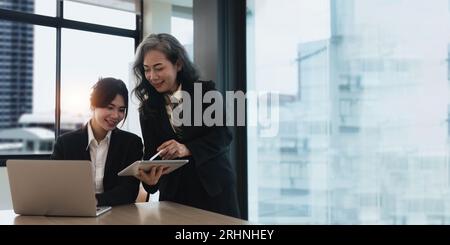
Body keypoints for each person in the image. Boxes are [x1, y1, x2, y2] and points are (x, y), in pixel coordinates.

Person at [132, 33, 240, 218]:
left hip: (214, 189)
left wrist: (186, 148)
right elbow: (152, 153)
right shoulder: (148, 110)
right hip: (175, 195)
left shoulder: (204, 92)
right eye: (147, 69)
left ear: (178, 64)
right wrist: (150, 181)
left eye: (158, 68)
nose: (152, 76)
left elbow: (223, 135)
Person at [51, 77, 143, 207]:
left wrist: (95, 201)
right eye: (110, 107)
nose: (116, 115)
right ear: (93, 105)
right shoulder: (65, 143)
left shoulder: (131, 143)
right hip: (74, 212)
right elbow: (55, 186)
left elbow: (129, 191)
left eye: (121, 110)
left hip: (116, 214)